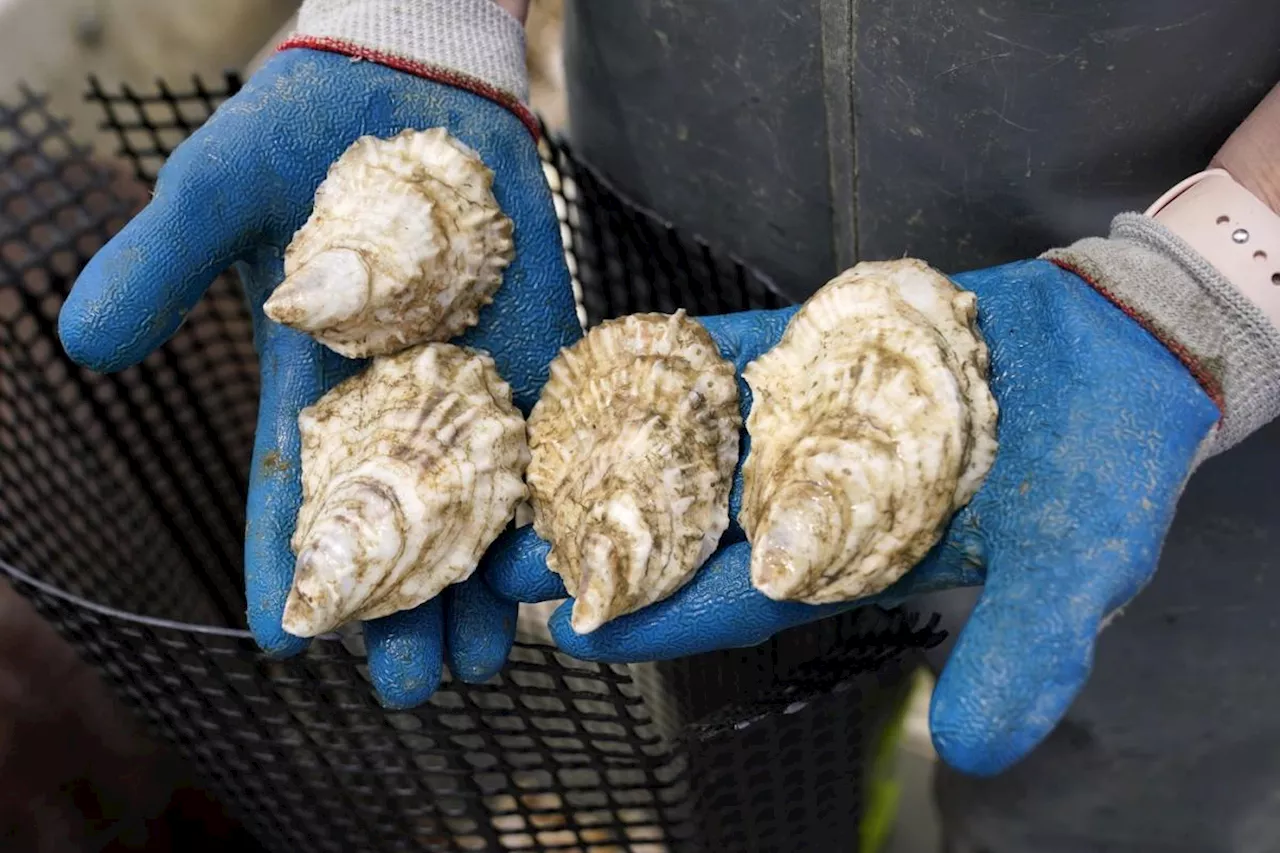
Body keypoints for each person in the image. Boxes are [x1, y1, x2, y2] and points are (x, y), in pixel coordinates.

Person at [54, 1, 1280, 850]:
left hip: (1191, 378)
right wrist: (419, 16)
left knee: (1128, 791)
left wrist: (1221, 279)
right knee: (739, 729)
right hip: (682, 187)